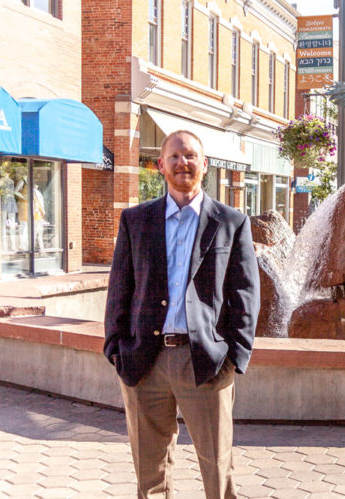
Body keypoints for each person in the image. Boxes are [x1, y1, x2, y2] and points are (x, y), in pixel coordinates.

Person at [104, 129, 259, 499]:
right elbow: (119, 289)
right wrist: (116, 348)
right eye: (173, 156)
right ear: (160, 166)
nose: (182, 163)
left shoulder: (231, 222)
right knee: (149, 472)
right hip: (144, 361)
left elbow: (245, 294)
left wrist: (234, 357)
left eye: (190, 156)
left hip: (204, 362)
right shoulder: (135, 221)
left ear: (204, 166)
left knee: (217, 471)